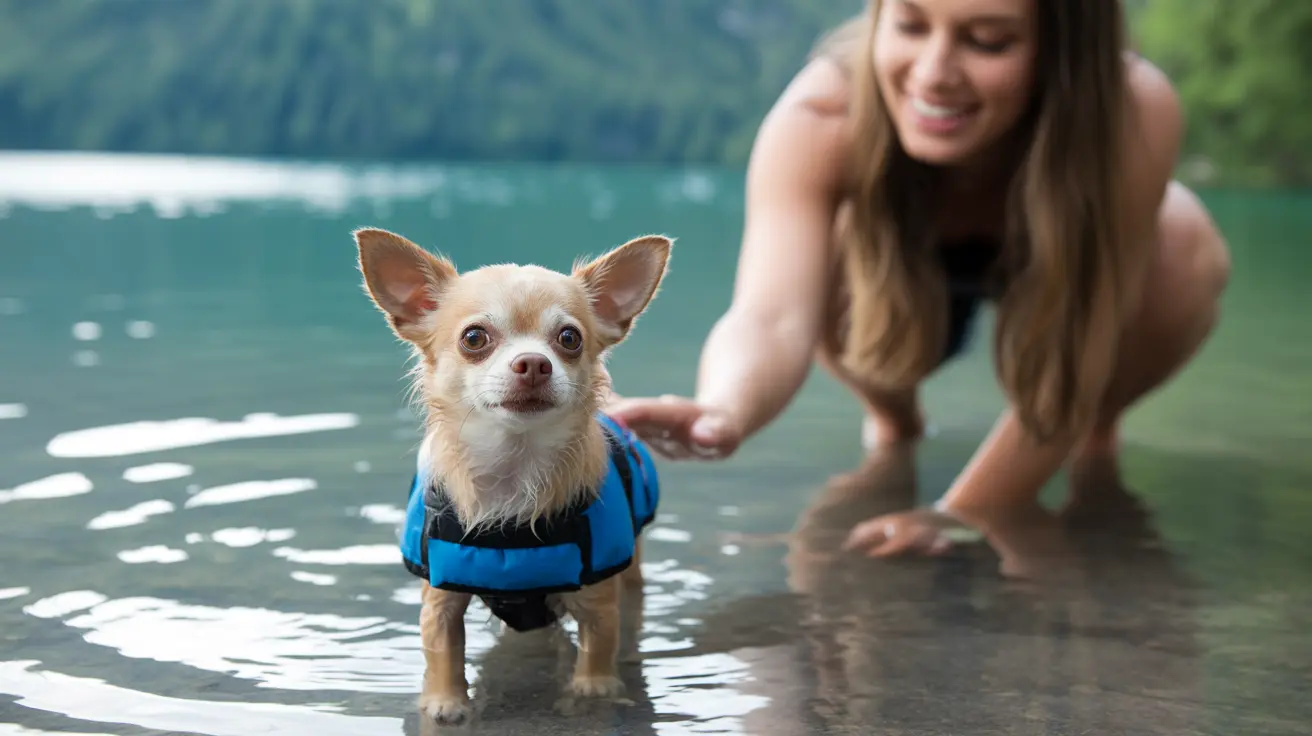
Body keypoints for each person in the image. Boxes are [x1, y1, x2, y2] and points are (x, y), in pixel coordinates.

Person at [605, 0, 1231, 556]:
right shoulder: (820, 113)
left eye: (987, 40)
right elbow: (772, 314)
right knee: (833, 242)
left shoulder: (1131, 111)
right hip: (892, 272)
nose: (933, 73)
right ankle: (893, 426)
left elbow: (1078, 344)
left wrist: (960, 513)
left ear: (1064, 52)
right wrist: (724, 409)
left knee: (1182, 244)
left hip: (1060, 279)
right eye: (908, 24)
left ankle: (1092, 438)